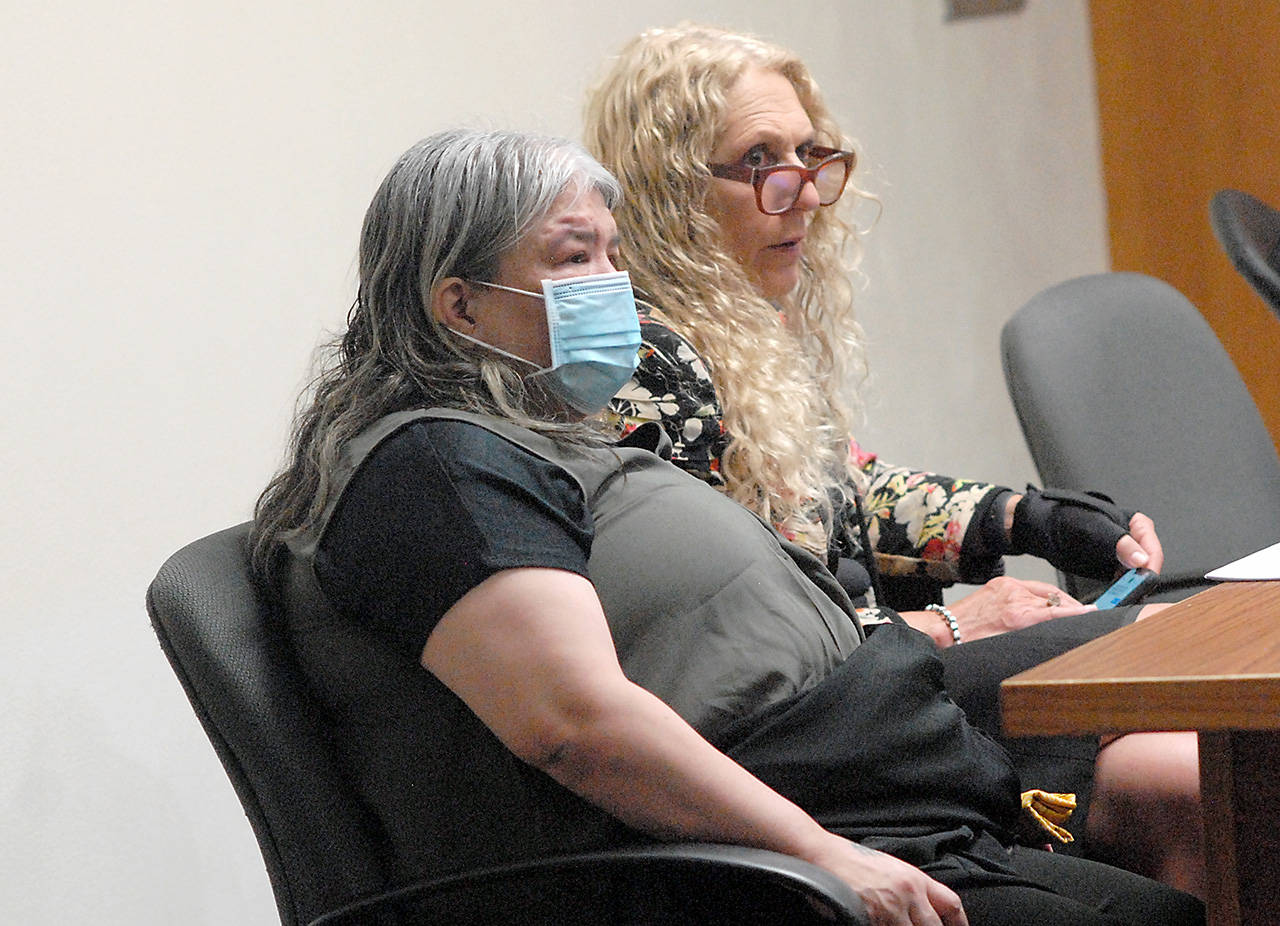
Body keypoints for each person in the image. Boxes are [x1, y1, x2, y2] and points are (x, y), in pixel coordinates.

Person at [251, 128, 1202, 925]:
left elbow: (833, 496)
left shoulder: (534, 427)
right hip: (771, 834)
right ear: (459, 305)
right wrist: (825, 856)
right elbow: (577, 727)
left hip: (858, 743)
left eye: (613, 254)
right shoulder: (436, 469)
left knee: (1177, 688)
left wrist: (1015, 517)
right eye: (573, 258)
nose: (610, 285)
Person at [582, 23, 1202, 893]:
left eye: (808, 155)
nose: (804, 193)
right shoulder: (643, 372)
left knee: (1187, 738)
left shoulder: (738, 326)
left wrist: (1021, 518)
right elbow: (734, 641)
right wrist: (953, 626)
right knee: (1175, 676)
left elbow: (840, 493)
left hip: (881, 687)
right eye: (761, 161)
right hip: (822, 733)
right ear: (667, 190)